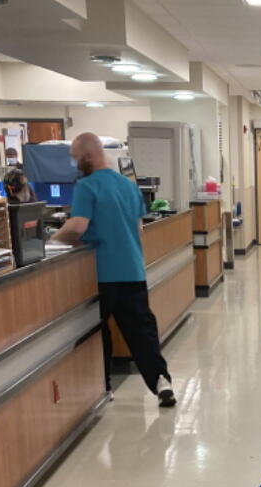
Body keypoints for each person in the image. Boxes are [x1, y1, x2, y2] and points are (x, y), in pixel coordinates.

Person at [53, 132, 175, 408]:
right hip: (132, 270)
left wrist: (49, 241)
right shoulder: (129, 186)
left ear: (87, 156)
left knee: (98, 332)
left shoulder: (87, 186)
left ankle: (104, 387)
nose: (75, 164)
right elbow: (138, 228)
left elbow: (78, 226)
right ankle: (161, 382)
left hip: (102, 274)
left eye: (75, 158)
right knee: (142, 332)